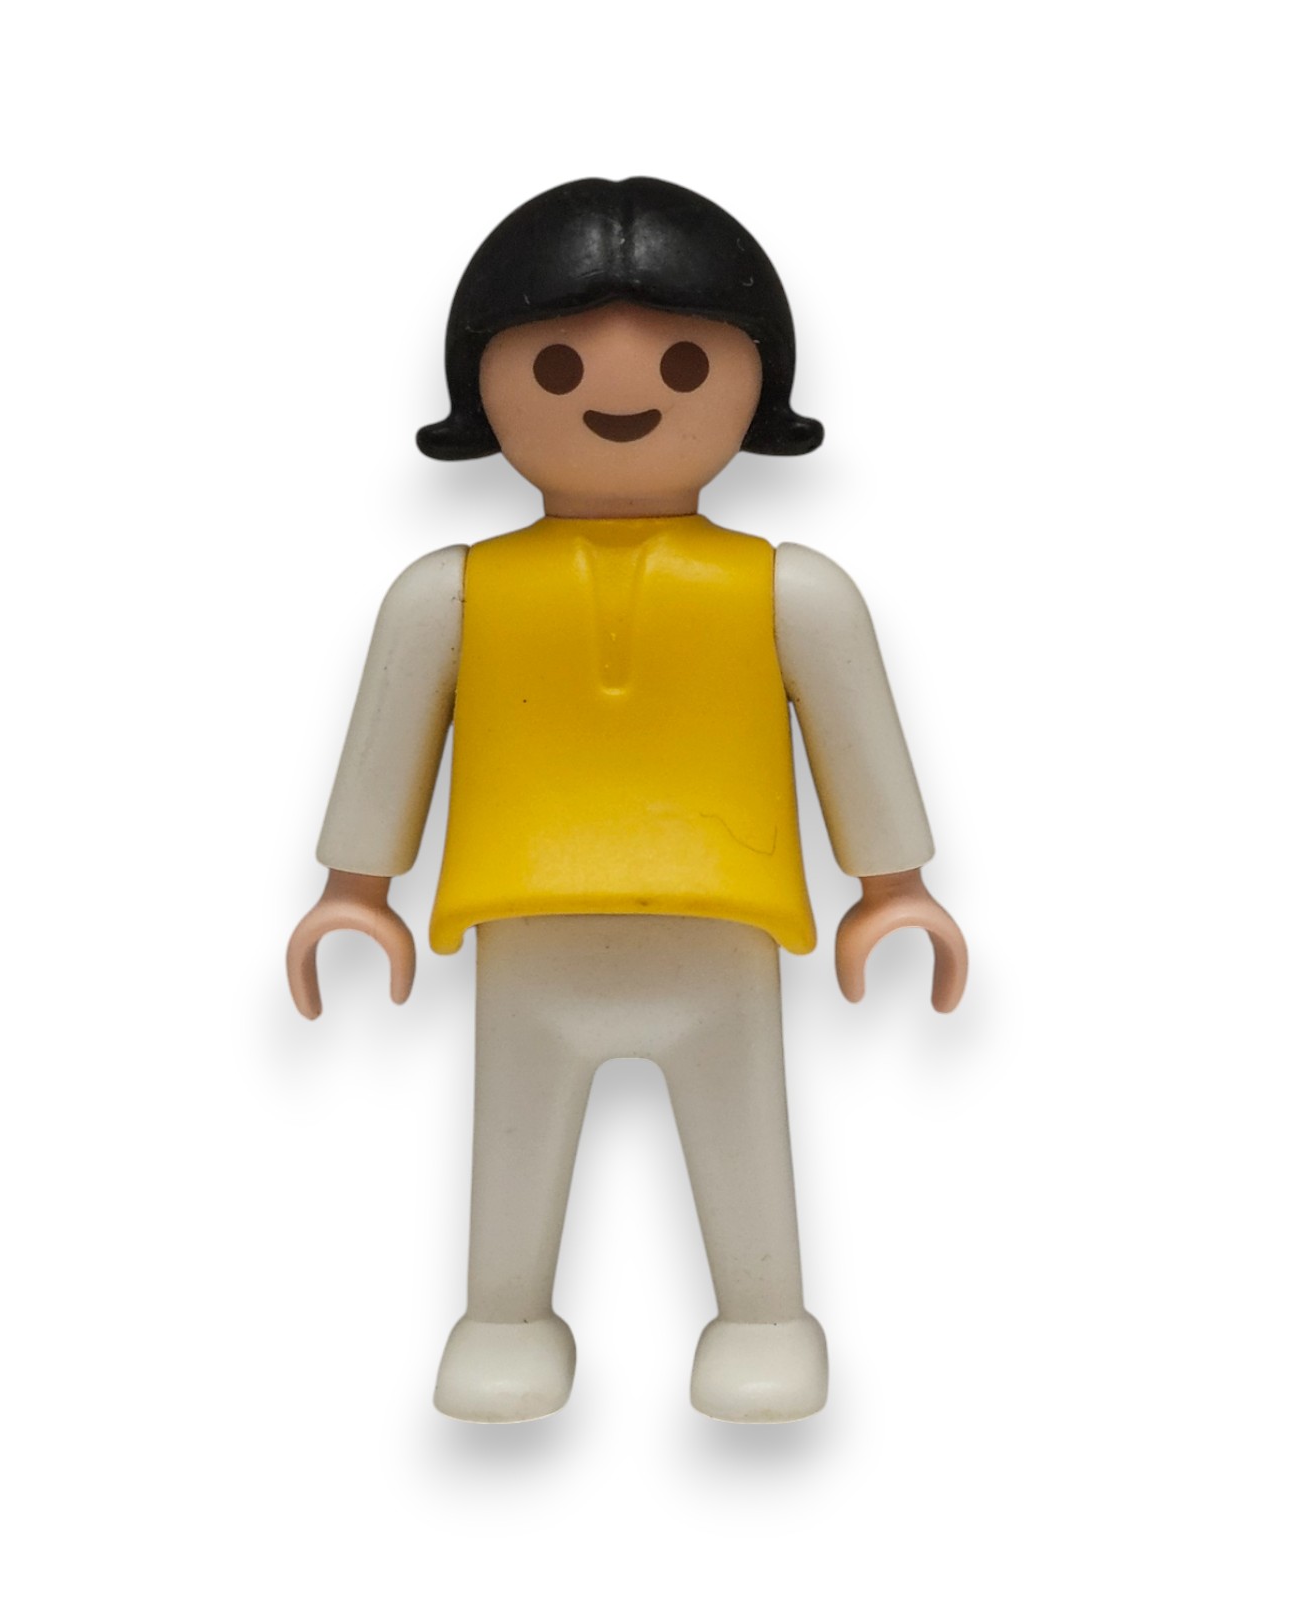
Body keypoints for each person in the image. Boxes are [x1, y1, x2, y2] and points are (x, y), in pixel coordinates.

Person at [287, 177, 967, 1424]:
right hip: (527, 926)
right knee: (516, 1135)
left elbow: (853, 728)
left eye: (684, 363)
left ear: (755, 382)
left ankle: (762, 1316)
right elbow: (392, 736)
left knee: (740, 1129)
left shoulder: (788, 591)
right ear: (481, 387)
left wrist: (893, 886)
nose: (617, 394)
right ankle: (504, 1318)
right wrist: (354, 888)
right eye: (553, 365)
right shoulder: (450, 594)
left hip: (722, 924)